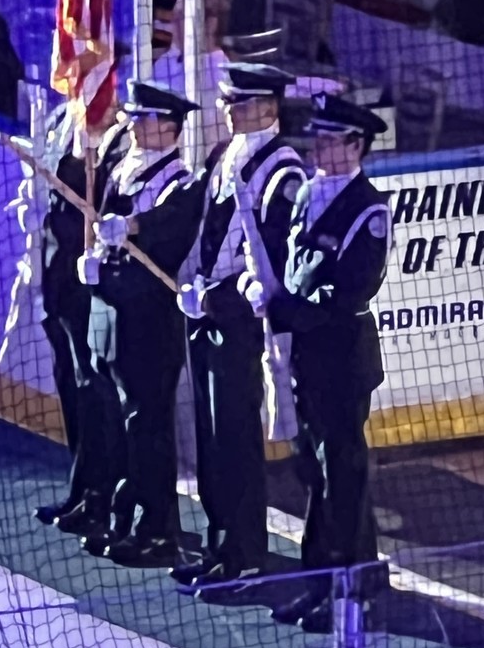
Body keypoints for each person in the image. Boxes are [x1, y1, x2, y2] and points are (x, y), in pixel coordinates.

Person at [243, 93, 392, 632]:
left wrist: (286, 308)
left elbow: (350, 290)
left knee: (341, 474)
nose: (319, 149)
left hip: (341, 356)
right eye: (318, 139)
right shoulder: (308, 193)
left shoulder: (368, 210)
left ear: (356, 145)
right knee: (313, 470)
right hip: (305, 354)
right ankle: (321, 581)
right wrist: (264, 290)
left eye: (330, 140)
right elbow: (293, 265)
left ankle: (350, 590)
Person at [172, 63, 306, 592]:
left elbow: (270, 266)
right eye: (228, 102)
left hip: (243, 324)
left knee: (235, 438)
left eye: (241, 103)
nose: (229, 111)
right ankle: (218, 544)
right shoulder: (223, 156)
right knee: (210, 437)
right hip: (207, 313)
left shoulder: (282, 173)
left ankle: (245, 552)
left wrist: (216, 298)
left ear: (269, 108)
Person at [78, 80, 201, 566]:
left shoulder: (179, 183)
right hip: (112, 316)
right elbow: (103, 225)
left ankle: (157, 531)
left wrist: (132, 227)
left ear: (168, 127)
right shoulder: (123, 169)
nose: (132, 126)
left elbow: (169, 231)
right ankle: (119, 517)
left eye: (143, 119)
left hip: (149, 324)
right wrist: (96, 261)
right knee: (113, 419)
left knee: (147, 428)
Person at [32, 98, 129, 537]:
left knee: (97, 395)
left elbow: (102, 202)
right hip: (58, 280)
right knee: (72, 391)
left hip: (89, 284)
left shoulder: (119, 140)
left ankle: (103, 496)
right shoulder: (62, 122)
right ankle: (82, 488)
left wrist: (86, 150)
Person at [152, 0, 232, 152]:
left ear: (210, 24)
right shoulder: (164, 62)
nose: (173, 22)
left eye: (182, 16)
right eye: (174, 15)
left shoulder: (221, 74)